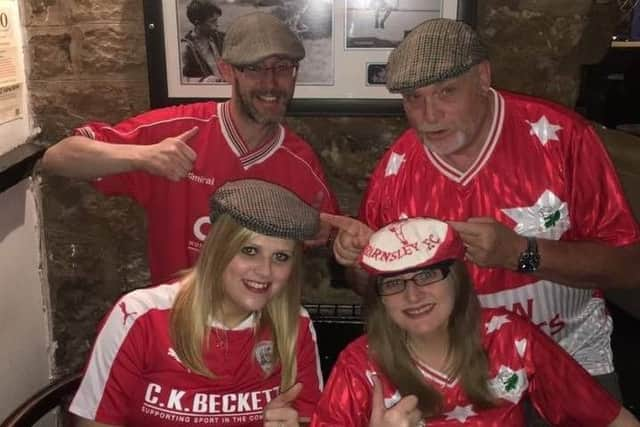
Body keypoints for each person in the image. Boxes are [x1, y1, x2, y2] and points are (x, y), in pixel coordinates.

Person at [327, 18, 640, 399]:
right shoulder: (396, 170)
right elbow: (374, 290)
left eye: (446, 92)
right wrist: (360, 264)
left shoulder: (562, 139)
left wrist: (522, 253)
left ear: (482, 77)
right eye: (414, 98)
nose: (429, 114)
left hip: (570, 359)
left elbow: (629, 267)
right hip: (461, 379)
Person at [40, 12, 339, 285]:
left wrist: (334, 238)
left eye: (283, 68)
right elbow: (58, 157)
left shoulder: (301, 161)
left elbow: (327, 236)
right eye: (255, 69)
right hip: (177, 322)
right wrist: (142, 156)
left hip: (259, 330)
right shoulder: (179, 130)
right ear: (226, 71)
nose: (272, 83)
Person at [312, 217, 640, 426]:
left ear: (456, 279)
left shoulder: (509, 337)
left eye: (427, 275)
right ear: (379, 298)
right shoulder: (359, 366)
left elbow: (614, 419)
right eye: (393, 283)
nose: (413, 295)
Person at [70, 179, 324, 426]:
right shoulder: (139, 317)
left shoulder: (295, 324)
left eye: (281, 257)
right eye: (249, 250)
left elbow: (307, 415)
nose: (265, 271)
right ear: (217, 249)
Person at [181, 0, 225, 82]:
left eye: (217, 20)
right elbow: (180, 80)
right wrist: (203, 81)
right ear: (198, 23)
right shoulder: (187, 48)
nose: (217, 25)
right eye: (212, 21)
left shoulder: (221, 38)